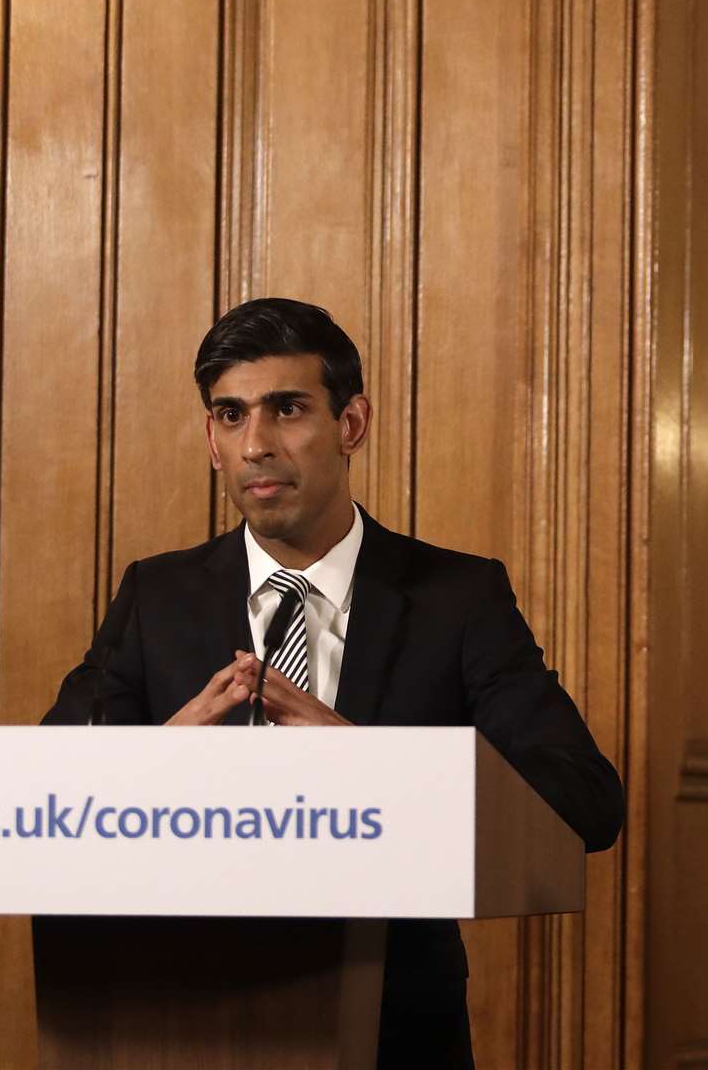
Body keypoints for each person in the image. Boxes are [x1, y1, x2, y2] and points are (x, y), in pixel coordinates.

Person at [43, 297, 623, 1069]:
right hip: (174, 1020)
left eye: (286, 409)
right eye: (229, 415)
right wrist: (163, 754)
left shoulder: (459, 598)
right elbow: (47, 790)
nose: (255, 444)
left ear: (350, 424)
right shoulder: (155, 596)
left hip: (394, 1026)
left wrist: (376, 767)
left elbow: (585, 800)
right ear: (211, 440)